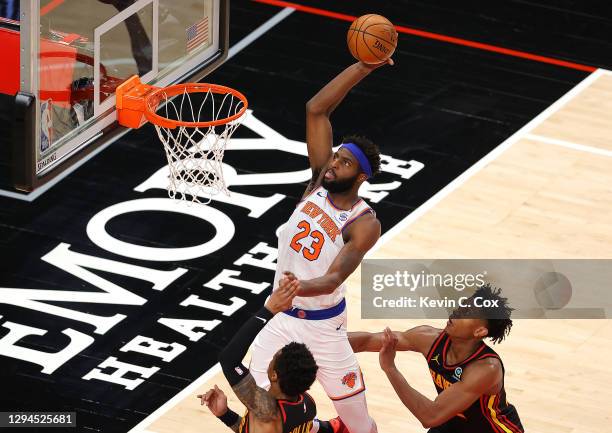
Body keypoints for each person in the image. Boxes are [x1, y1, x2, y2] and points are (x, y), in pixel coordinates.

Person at [249, 58, 393, 433]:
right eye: (334, 156)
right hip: (282, 320)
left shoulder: (364, 224)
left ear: (360, 176)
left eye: (343, 163)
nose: (332, 164)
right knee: (259, 409)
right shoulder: (317, 183)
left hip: (323, 327)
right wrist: (364, 66)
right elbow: (316, 109)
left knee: (361, 427)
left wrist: (296, 288)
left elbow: (332, 280)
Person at [350, 284, 525, 433]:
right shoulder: (428, 337)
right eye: (463, 304)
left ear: (479, 331)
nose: (457, 311)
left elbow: (430, 416)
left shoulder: (486, 369)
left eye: (467, 312)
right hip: (453, 423)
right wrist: (326, 346)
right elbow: (366, 342)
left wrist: (390, 368)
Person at [199, 279, 319, 433]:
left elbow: (229, 360)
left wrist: (269, 309)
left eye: (273, 358)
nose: (270, 359)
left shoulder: (267, 410)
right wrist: (225, 415)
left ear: (274, 375)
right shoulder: (307, 404)